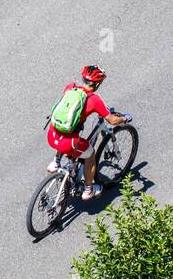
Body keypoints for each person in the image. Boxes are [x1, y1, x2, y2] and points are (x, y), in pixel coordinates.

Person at [45, 65, 129, 200]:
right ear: (96, 84)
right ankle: (88, 189)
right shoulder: (94, 100)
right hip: (69, 143)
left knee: (66, 131)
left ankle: (56, 161)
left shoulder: (70, 88)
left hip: (52, 135)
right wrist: (124, 118)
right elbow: (112, 120)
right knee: (90, 154)